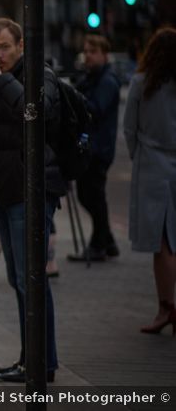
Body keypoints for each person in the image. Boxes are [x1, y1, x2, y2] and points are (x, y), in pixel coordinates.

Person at [0, 18, 63, 383]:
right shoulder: (3, 78)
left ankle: (41, 363)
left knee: (32, 280)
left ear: (21, 45)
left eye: (4, 47)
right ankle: (32, 359)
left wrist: (1, 78)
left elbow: (35, 114)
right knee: (19, 278)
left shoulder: (37, 75)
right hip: (6, 191)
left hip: (29, 193)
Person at [123, 27, 176, 335]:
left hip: (153, 168)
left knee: (163, 243)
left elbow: (129, 129)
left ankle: (165, 307)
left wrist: (138, 156)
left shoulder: (141, 84)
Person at [67, 34, 121, 262]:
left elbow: (95, 109)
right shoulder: (90, 78)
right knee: (90, 196)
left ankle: (99, 244)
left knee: (92, 196)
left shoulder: (107, 81)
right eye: (86, 51)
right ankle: (107, 241)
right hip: (91, 147)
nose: (87, 55)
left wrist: (73, 95)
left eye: (93, 51)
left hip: (98, 149)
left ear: (104, 54)